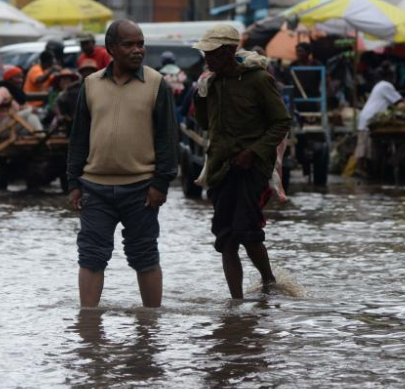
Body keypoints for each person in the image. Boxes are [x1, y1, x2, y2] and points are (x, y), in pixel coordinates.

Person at [67, 19, 178, 308]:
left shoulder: (156, 84)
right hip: (95, 187)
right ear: (111, 49)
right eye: (129, 44)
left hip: (141, 189)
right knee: (91, 256)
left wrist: (160, 184)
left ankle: (152, 326)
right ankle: (88, 324)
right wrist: (73, 183)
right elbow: (78, 139)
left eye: (141, 44)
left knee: (145, 256)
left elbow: (168, 139)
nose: (137, 50)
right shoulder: (90, 85)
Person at [192, 25, 291, 300]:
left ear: (228, 51)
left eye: (211, 53)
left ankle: (268, 280)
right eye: (205, 53)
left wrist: (254, 151)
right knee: (226, 238)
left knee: (247, 230)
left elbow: (281, 122)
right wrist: (199, 98)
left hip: (252, 169)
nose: (207, 59)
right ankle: (236, 302)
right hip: (221, 167)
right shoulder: (210, 83)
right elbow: (204, 124)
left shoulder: (258, 80)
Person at [355, 65, 404, 169]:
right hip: (369, 120)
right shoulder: (386, 86)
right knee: (364, 150)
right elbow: (400, 103)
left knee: (365, 148)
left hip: (367, 118)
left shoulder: (379, 85)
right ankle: (361, 170)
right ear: (389, 77)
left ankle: (365, 170)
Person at [0, 66, 43, 133]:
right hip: (1, 128)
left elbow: (24, 108)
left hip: (12, 126)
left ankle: (41, 137)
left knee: (32, 117)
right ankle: (41, 136)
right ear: (9, 79)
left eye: (21, 77)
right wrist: (1, 103)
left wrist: (34, 110)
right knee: (29, 111)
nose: (21, 80)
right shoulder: (3, 90)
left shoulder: (17, 94)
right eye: (17, 77)